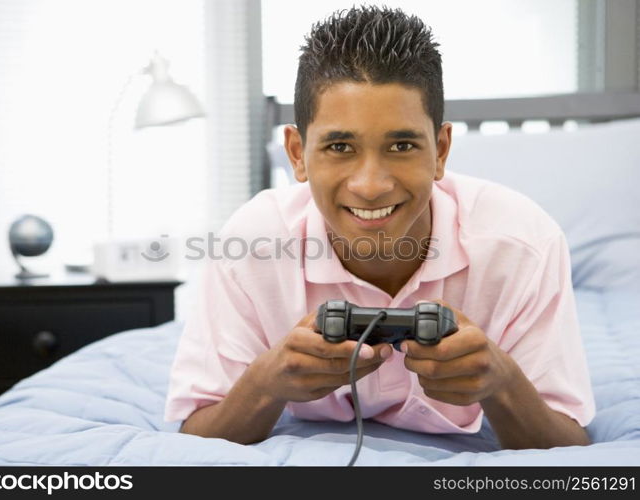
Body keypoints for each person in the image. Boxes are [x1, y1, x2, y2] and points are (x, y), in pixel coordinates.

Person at [164, 5, 595, 449]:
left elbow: (568, 443)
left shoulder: (526, 244)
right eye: (339, 146)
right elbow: (196, 434)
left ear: (441, 150)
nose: (370, 186)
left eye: (403, 144)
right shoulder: (249, 244)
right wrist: (265, 384)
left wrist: (502, 383)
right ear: (297, 153)